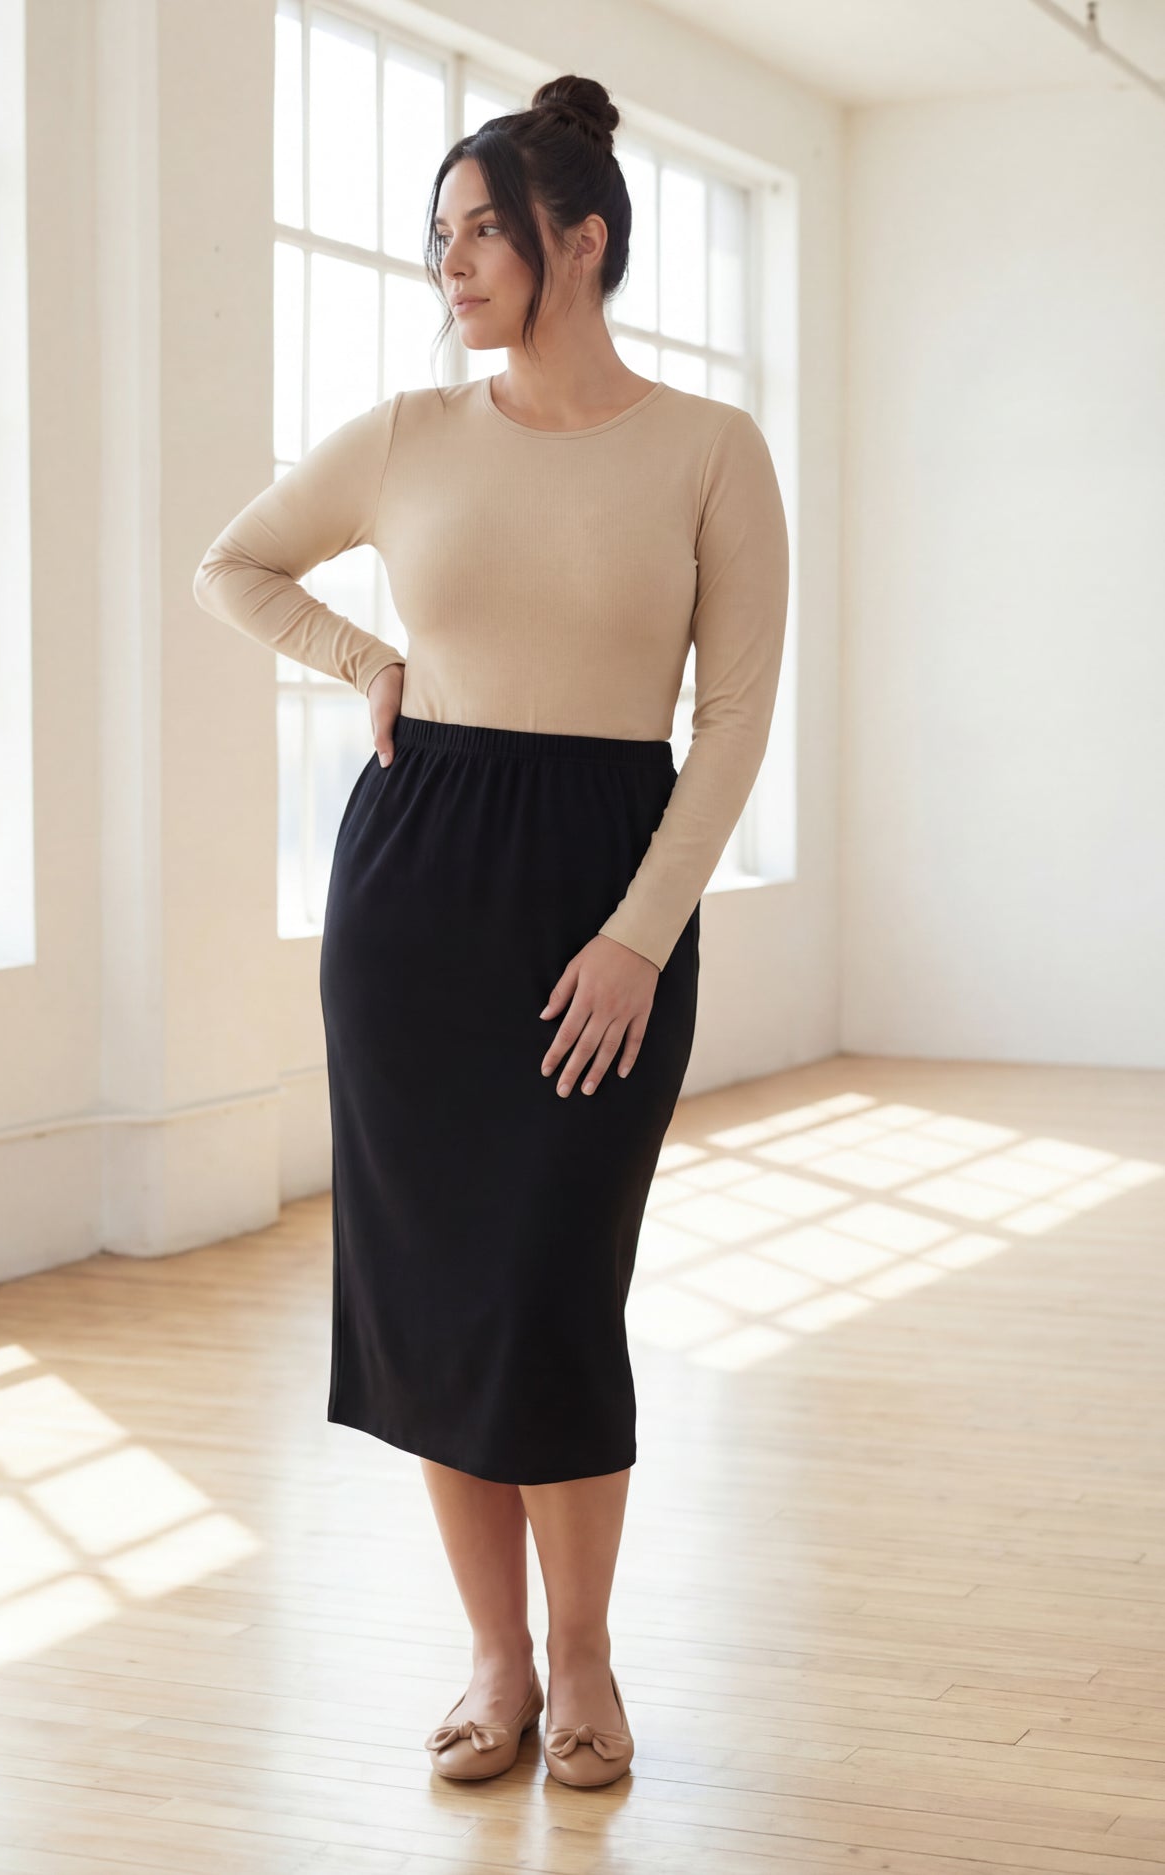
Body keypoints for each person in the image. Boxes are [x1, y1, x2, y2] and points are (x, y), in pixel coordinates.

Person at [192, 72, 789, 1790]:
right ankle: (495, 1663)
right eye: (437, 234)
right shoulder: (404, 435)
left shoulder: (705, 450)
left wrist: (639, 938)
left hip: (608, 879)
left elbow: (732, 719)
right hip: (416, 893)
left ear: (578, 239)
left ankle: (588, 1659)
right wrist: (365, 663)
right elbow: (237, 564)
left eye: (481, 231)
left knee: (550, 1286)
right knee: (436, 1290)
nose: (450, 262)